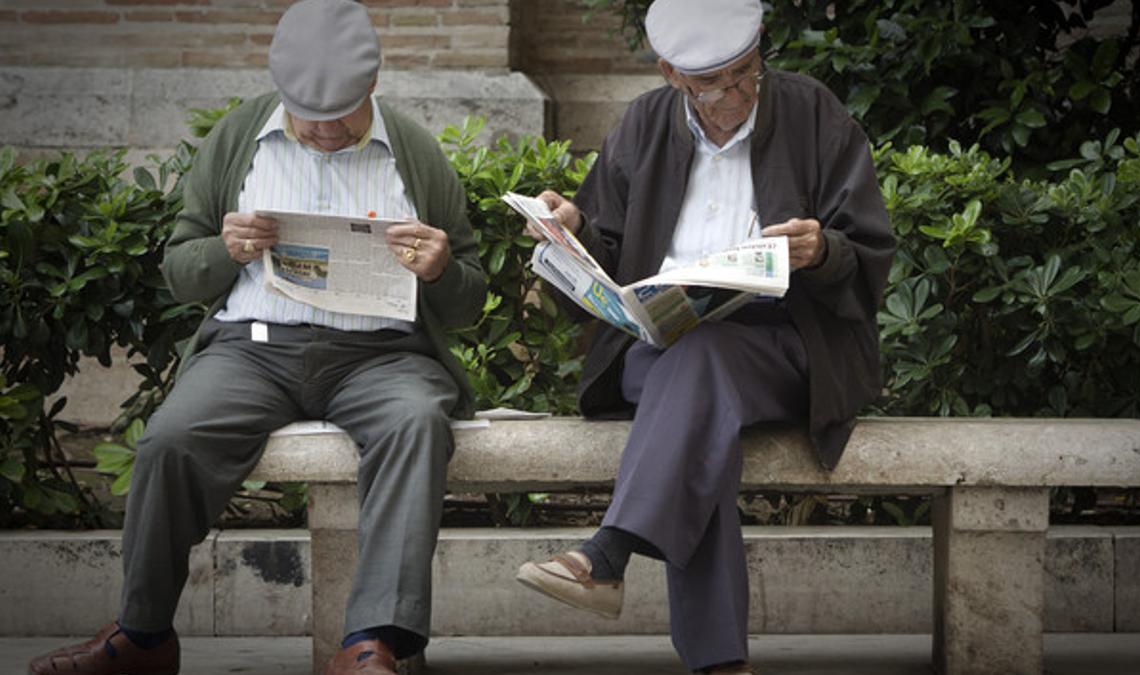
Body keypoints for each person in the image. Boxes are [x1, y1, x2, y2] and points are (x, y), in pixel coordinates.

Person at [28, 1, 484, 674]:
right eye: (309, 117)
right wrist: (227, 249)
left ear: (374, 84)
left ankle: (371, 641)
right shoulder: (241, 137)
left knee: (416, 421)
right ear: (281, 92)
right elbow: (181, 272)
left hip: (382, 358)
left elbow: (470, 298)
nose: (326, 132)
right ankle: (143, 636)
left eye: (343, 116)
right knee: (168, 440)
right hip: (254, 351)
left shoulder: (413, 150)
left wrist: (442, 266)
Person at [514, 0, 896, 672]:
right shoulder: (644, 123)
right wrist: (570, 231)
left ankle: (608, 553)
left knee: (699, 379)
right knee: (694, 380)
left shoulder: (814, 113)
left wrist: (820, 250)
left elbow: (868, 255)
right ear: (671, 74)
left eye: (747, 73)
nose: (737, 96)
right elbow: (602, 252)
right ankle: (714, 657)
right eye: (714, 84)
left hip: (787, 346)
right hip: (660, 342)